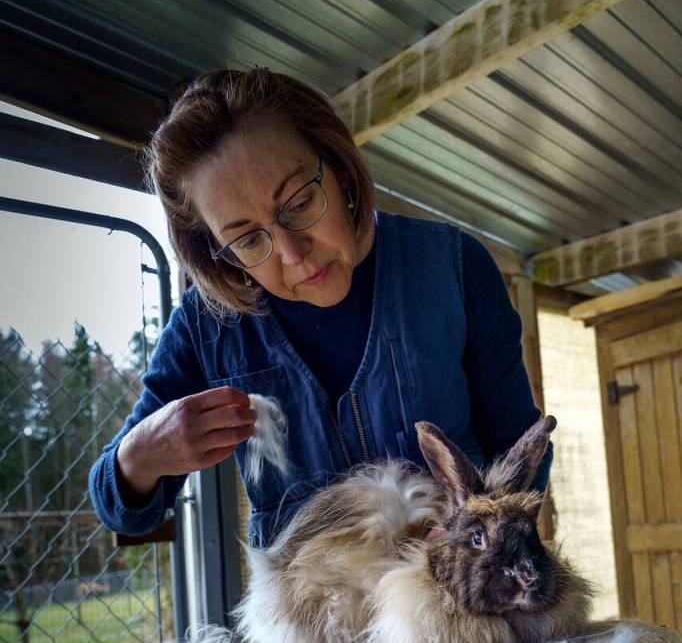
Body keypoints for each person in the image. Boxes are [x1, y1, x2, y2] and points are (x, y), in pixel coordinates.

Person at [89, 67, 551, 549]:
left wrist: (482, 540)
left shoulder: (454, 269)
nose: (292, 253)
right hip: (308, 618)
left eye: (300, 201)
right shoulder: (205, 326)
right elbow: (117, 505)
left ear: (338, 167)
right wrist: (139, 457)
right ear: (215, 251)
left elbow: (520, 453)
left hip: (456, 603)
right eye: (248, 239)